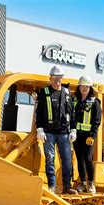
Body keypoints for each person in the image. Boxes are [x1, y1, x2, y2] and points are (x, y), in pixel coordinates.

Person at [35, 65, 78, 194]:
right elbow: (39, 113)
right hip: (48, 133)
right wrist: (40, 130)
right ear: (50, 78)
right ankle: (52, 186)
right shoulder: (44, 93)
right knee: (50, 159)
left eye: (59, 77)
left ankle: (67, 186)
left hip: (64, 133)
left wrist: (73, 130)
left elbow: (72, 112)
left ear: (62, 78)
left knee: (66, 159)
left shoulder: (66, 93)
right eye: (54, 77)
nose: (57, 80)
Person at [72, 75, 102, 194]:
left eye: (87, 87)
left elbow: (97, 121)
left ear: (90, 88)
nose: (84, 89)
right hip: (76, 135)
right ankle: (82, 182)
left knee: (88, 158)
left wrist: (92, 135)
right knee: (79, 158)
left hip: (89, 135)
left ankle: (91, 183)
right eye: (82, 86)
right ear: (79, 87)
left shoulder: (95, 102)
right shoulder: (75, 100)